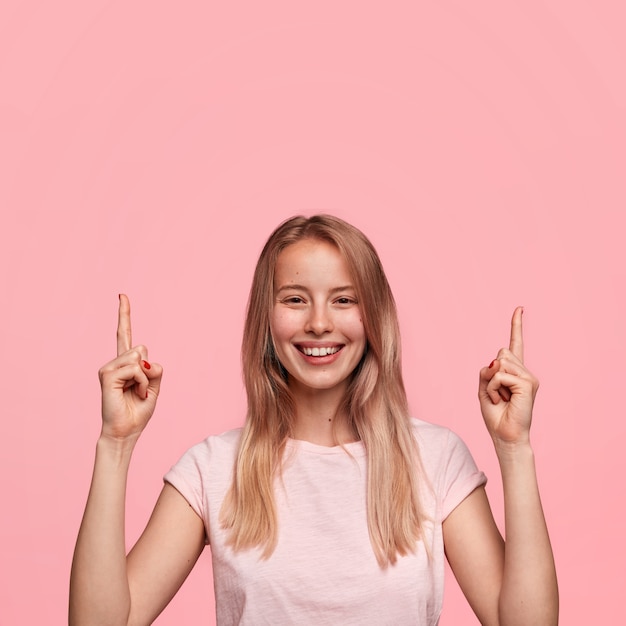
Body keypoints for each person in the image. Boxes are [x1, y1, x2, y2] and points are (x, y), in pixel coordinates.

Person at [69, 215, 558, 625]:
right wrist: (115, 443)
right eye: (295, 299)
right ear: (267, 316)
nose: (319, 323)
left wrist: (515, 449)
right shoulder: (212, 469)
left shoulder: (436, 460)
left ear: (374, 318)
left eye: (344, 299)